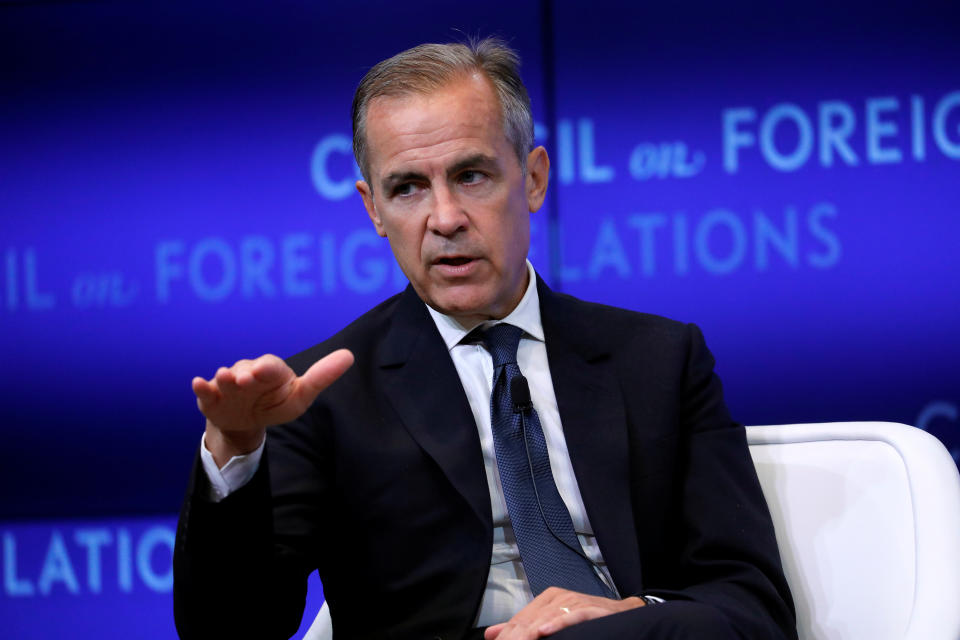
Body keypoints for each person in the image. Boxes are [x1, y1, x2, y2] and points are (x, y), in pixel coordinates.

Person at [173, 38, 797, 640]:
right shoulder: (326, 393)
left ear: (532, 179)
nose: (444, 219)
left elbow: (751, 605)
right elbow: (230, 629)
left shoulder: (660, 361)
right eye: (408, 187)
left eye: (471, 175)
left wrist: (630, 614)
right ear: (372, 210)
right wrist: (235, 449)